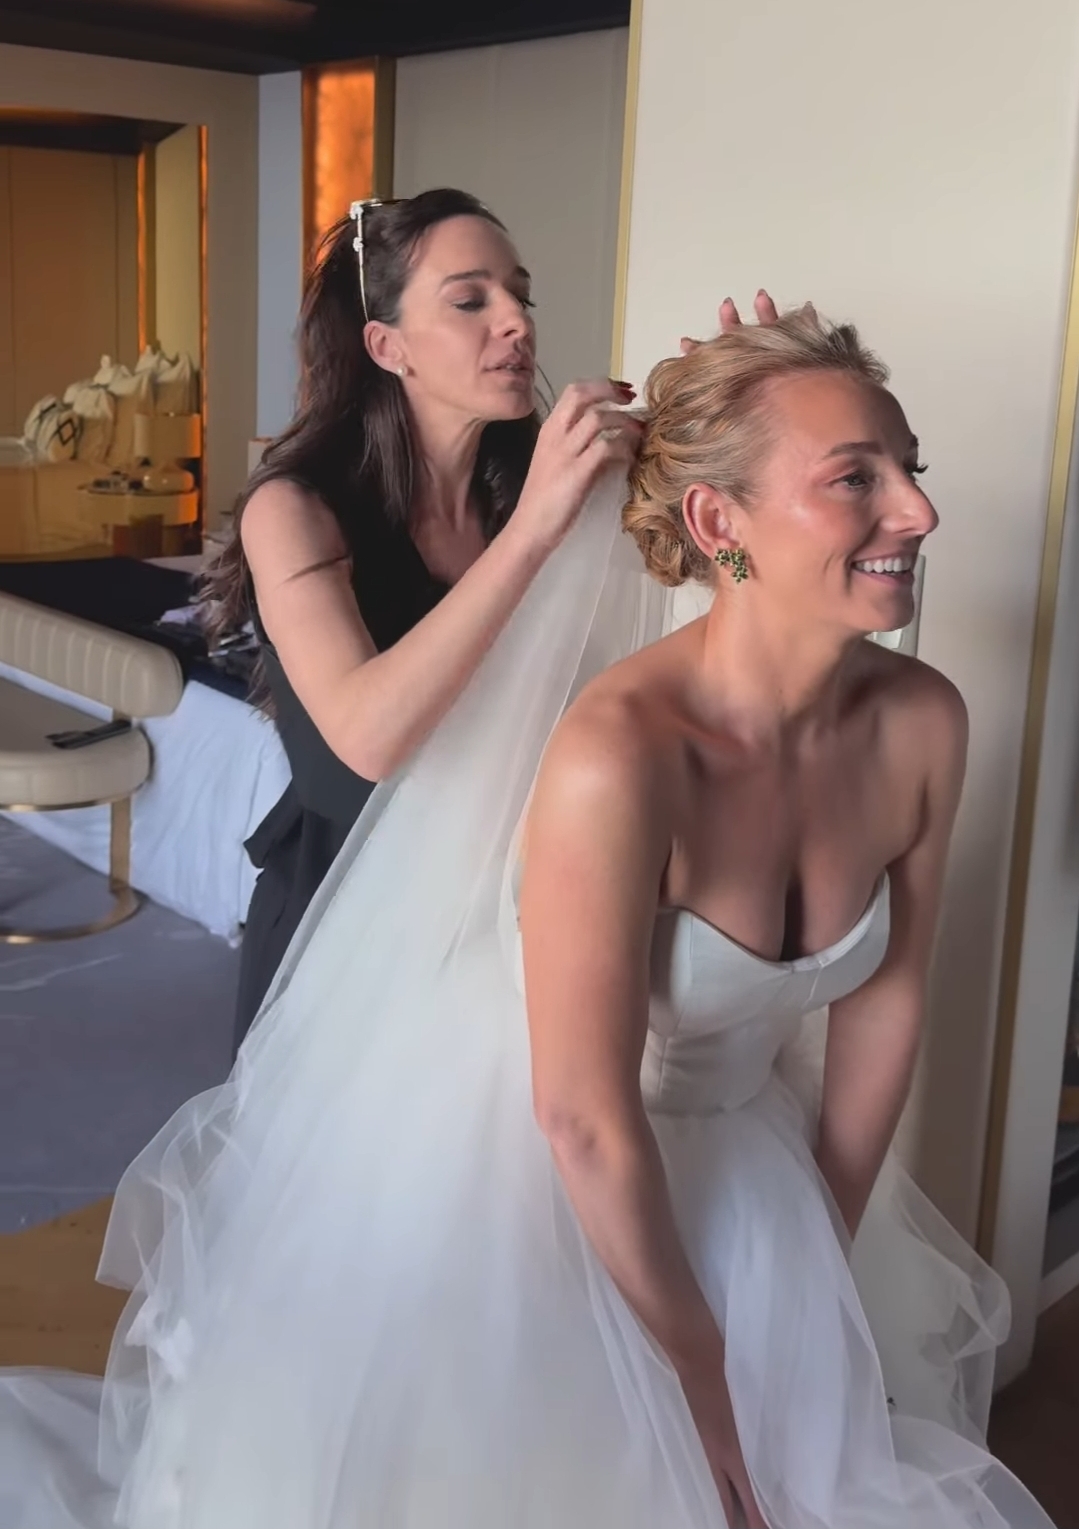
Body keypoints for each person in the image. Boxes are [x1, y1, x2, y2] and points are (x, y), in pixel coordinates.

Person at [0, 310, 1056, 1529]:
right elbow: (581, 1116)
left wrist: (816, 1251)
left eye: (908, 467)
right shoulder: (620, 754)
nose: (917, 510)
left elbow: (886, 1000)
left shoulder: (922, 720)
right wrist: (700, 1366)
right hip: (532, 1171)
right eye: (852, 478)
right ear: (718, 524)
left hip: (744, 1158)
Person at [211, 187, 642, 1053]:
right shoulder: (294, 511)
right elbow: (367, 740)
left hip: (511, 912)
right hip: (349, 919)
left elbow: (715, 577)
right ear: (388, 345)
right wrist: (533, 531)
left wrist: (737, 398)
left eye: (521, 295)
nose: (516, 321)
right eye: (470, 300)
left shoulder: (532, 491)